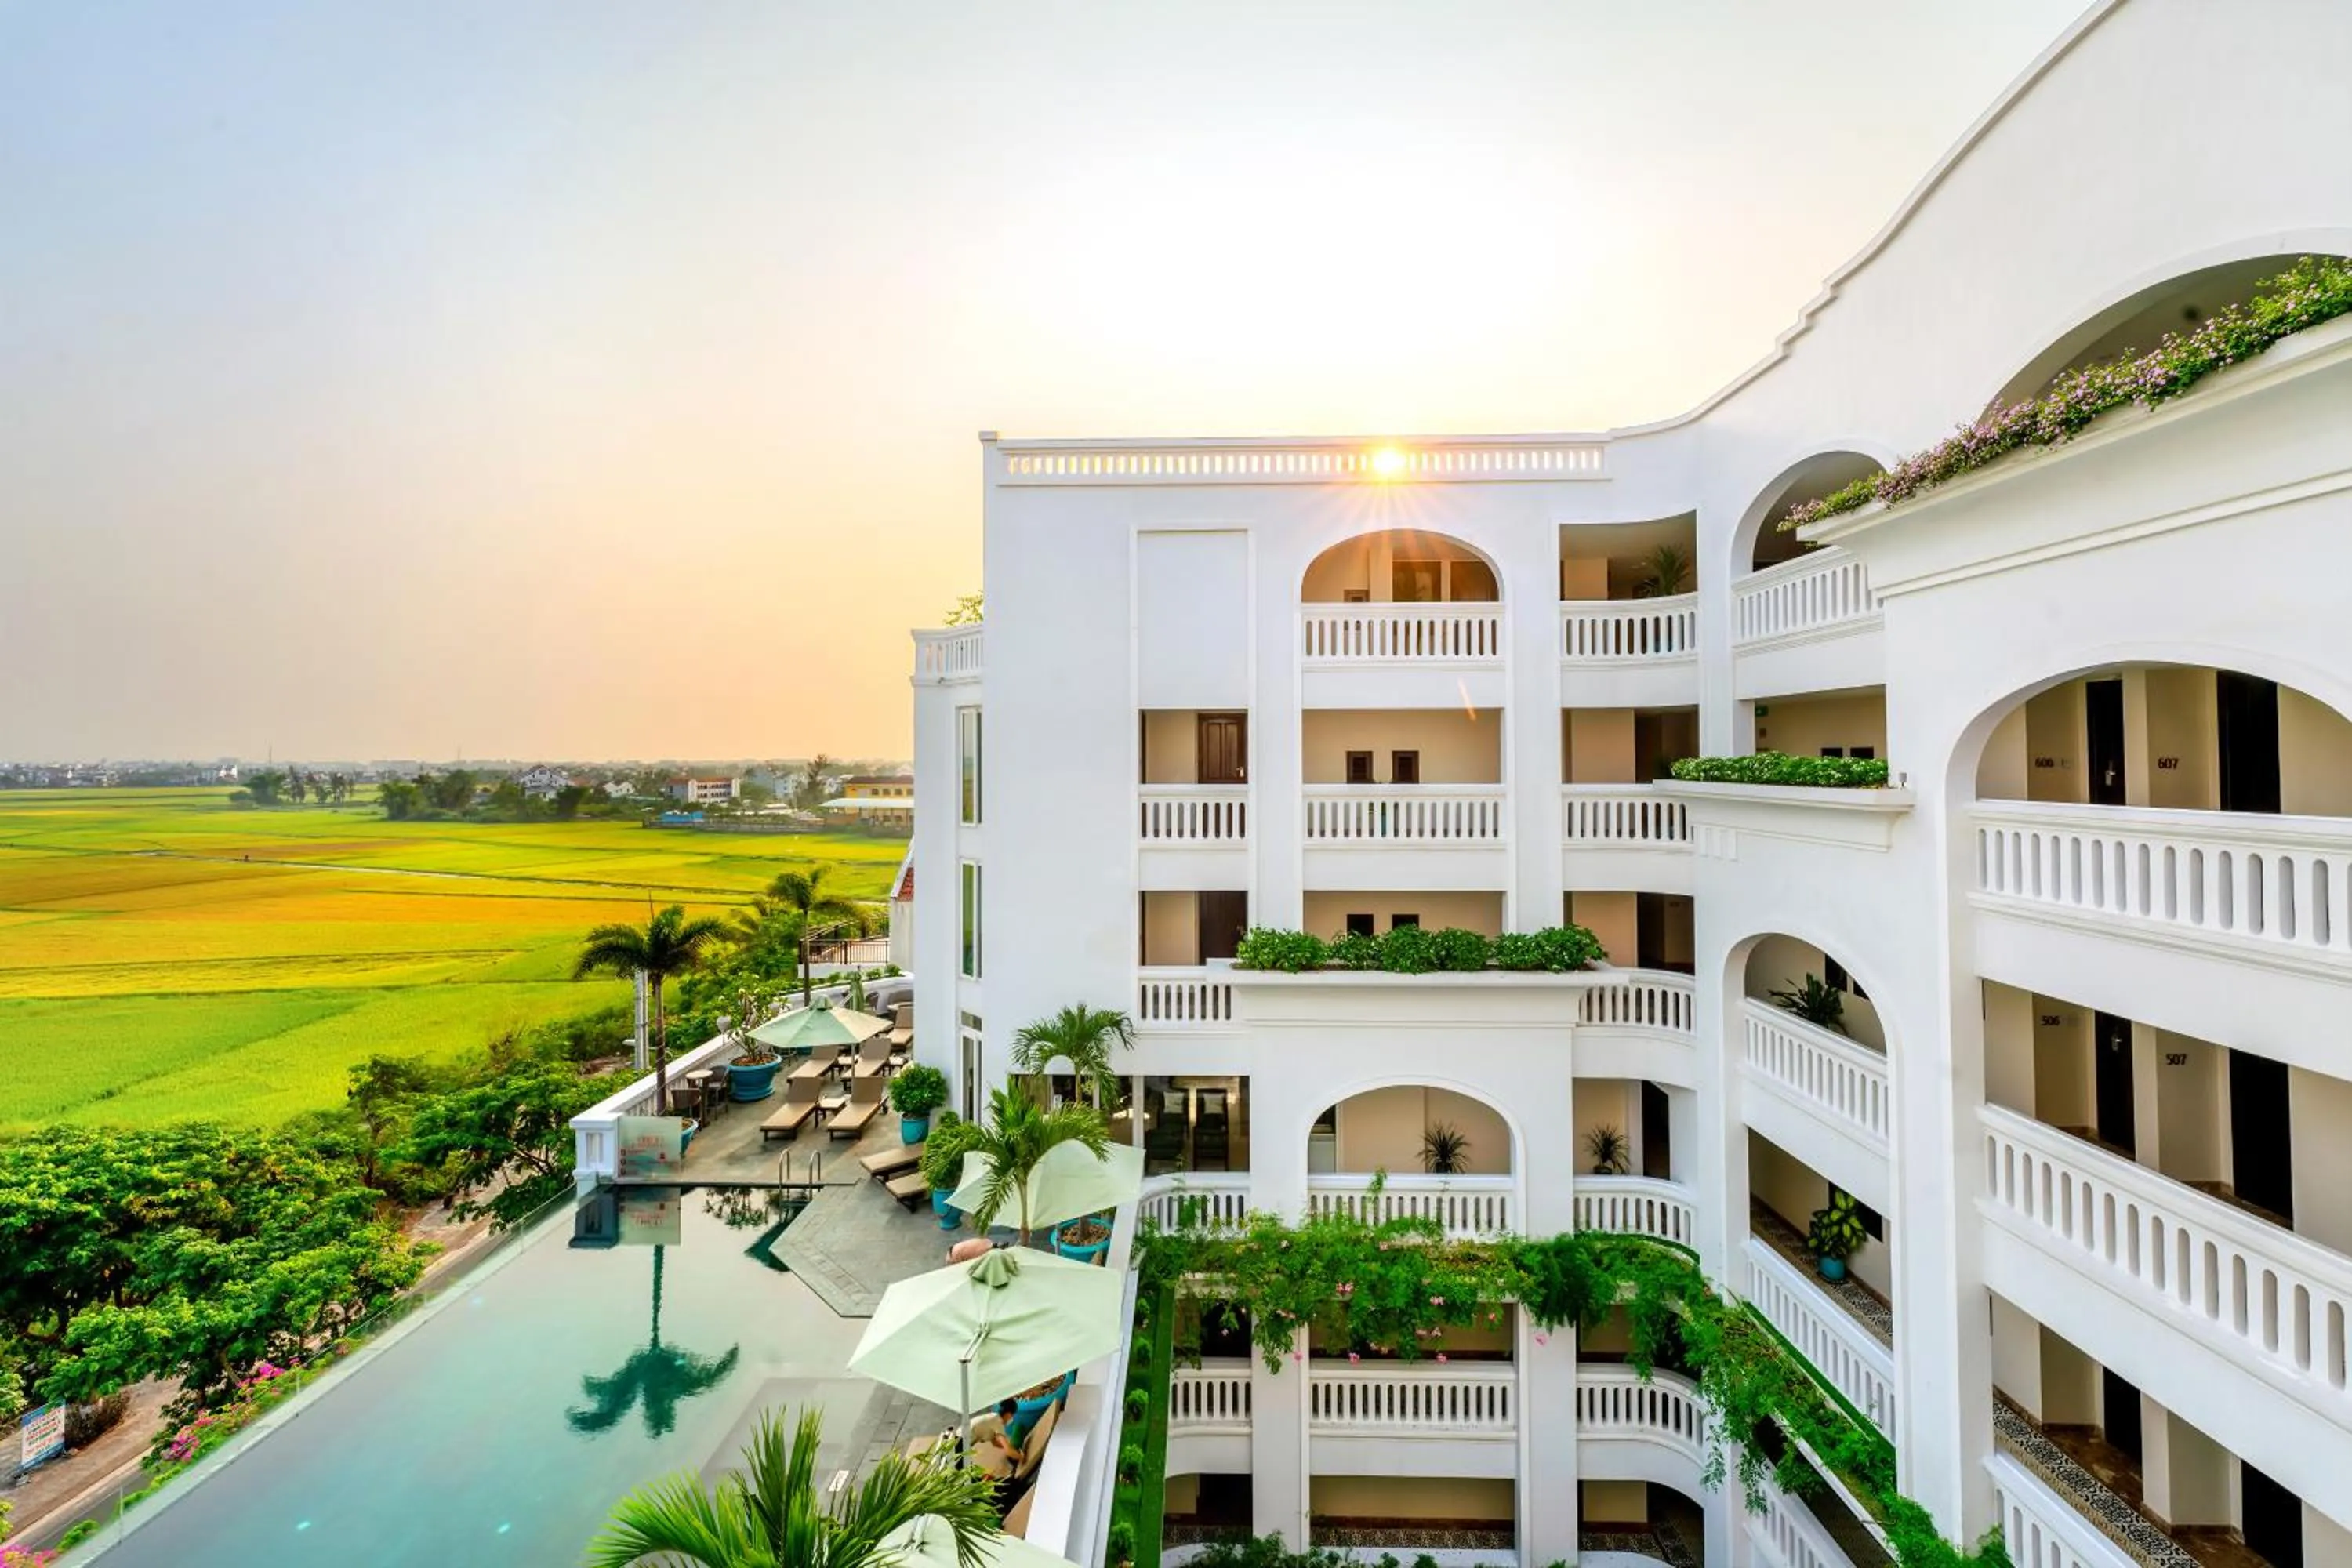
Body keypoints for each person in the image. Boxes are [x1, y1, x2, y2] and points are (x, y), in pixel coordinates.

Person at [965, 1398, 1022, 1477]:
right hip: (960, 1442)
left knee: (973, 1473)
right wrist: (1022, 1457)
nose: (1011, 1418)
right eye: (1012, 1415)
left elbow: (995, 1443)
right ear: (1008, 1414)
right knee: (971, 1476)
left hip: (961, 1439)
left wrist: (1012, 1449)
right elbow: (1008, 1451)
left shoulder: (993, 1417)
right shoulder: (998, 1423)